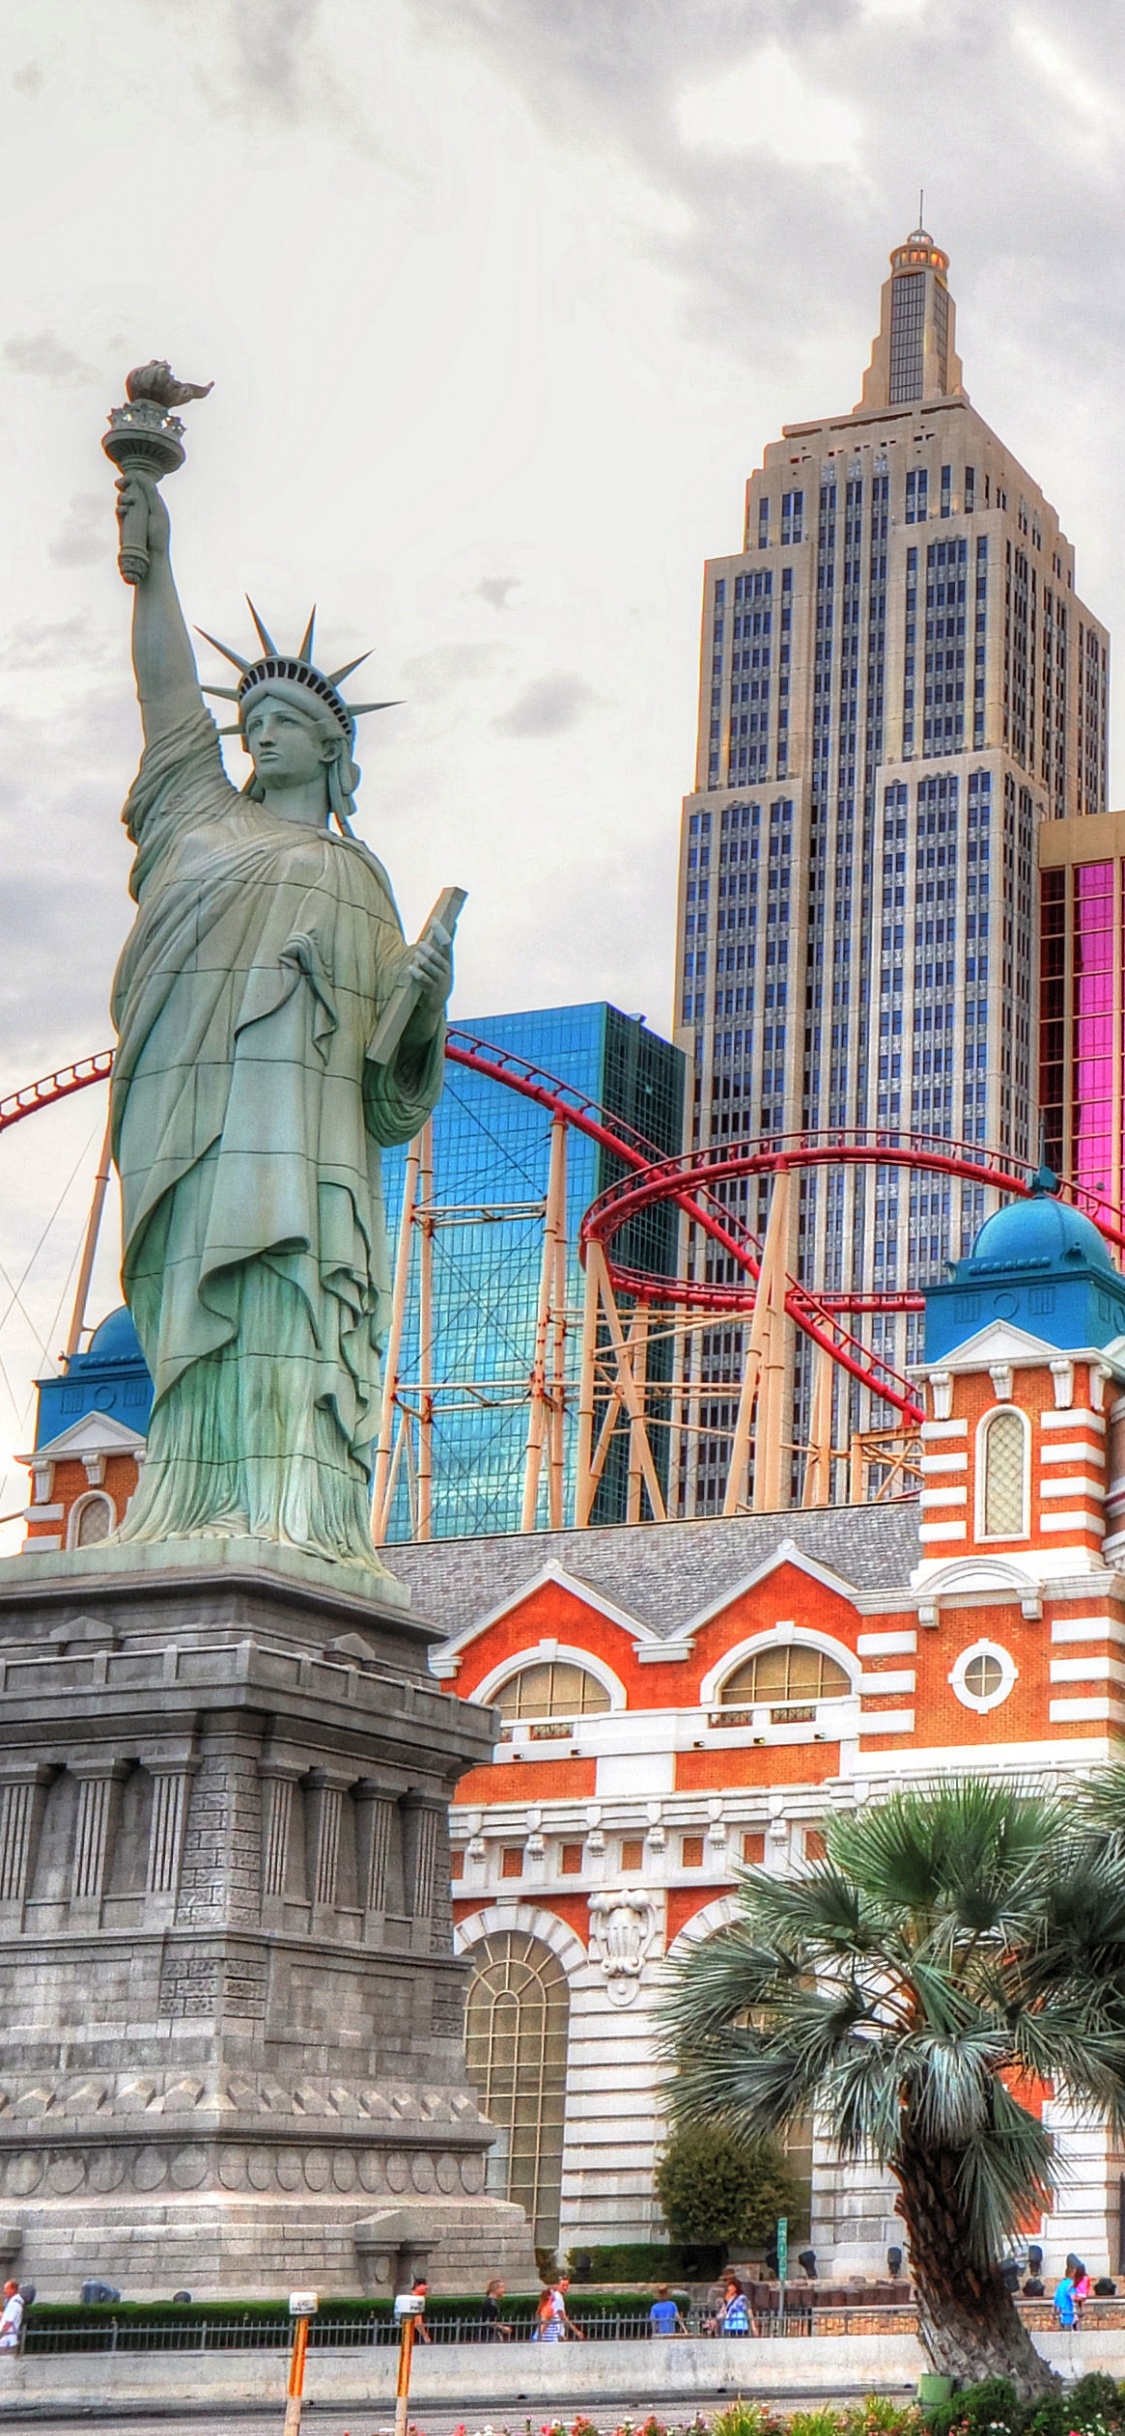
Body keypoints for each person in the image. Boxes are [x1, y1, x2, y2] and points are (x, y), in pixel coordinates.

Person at [106, 467, 453, 1570]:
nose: (261, 736)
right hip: (189, 1122)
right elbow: (165, 695)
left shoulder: (357, 878)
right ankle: (190, 1506)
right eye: (251, 720)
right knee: (192, 1324)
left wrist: (426, 995)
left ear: (333, 751)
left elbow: (389, 1090)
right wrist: (153, 557)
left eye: (286, 723)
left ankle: (292, 1514)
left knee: (290, 1316)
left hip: (308, 1159)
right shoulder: (197, 819)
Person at [0, 2283, 23, 2352]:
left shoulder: (13, 2305)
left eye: (6, 2289)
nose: (4, 2291)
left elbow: (8, 2324)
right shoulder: (14, 2303)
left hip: (7, 2342)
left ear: (13, 2289)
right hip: (7, 2341)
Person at [409, 2276, 431, 2343]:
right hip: (418, 2305)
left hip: (413, 2306)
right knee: (419, 2323)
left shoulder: (415, 2289)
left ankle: (424, 2336)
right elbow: (427, 2289)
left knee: (417, 2323)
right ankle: (425, 2337)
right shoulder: (422, 2287)